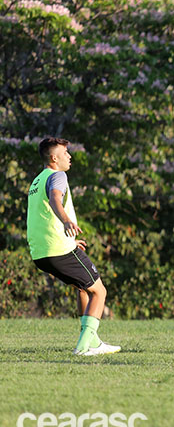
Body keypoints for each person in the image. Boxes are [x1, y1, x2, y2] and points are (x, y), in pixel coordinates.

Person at [27, 137, 120, 356]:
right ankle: (83, 346)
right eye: (65, 153)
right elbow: (55, 200)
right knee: (100, 291)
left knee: (83, 288)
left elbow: (42, 215)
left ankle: (93, 341)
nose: (69, 156)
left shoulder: (37, 180)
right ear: (54, 158)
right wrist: (67, 221)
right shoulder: (58, 175)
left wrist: (68, 238)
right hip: (58, 249)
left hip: (41, 252)